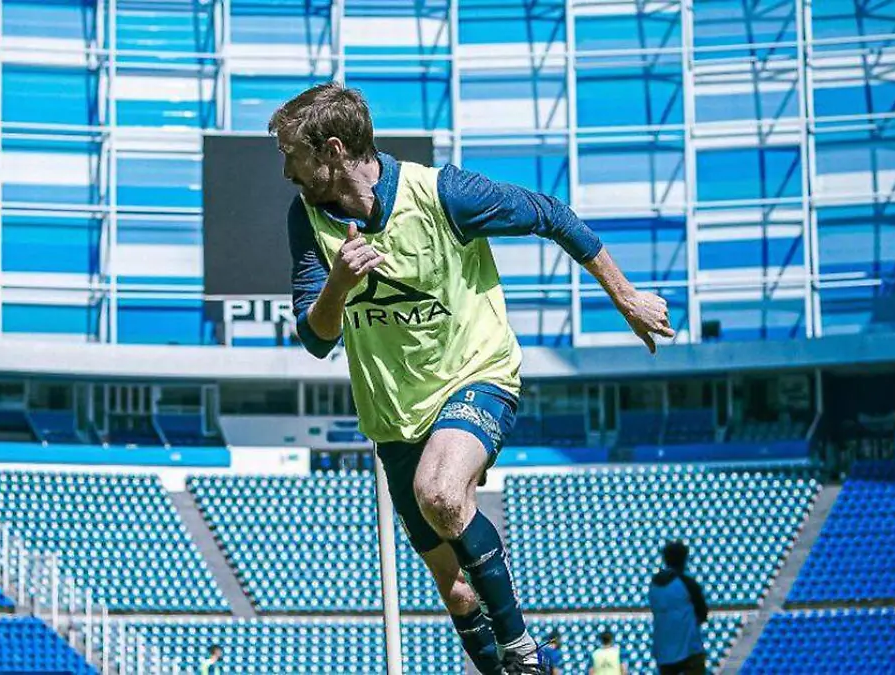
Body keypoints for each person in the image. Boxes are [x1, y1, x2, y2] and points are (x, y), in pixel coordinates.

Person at [273, 82, 674, 675]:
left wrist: (627, 296)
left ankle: (523, 650)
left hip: (475, 374)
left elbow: (549, 213)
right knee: (457, 592)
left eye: (293, 155)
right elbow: (316, 339)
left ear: (332, 150)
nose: (286, 171)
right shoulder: (305, 218)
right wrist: (337, 284)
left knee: (440, 492)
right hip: (393, 416)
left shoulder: (442, 194)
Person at [648, 541, 708, 674]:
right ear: (684, 559)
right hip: (689, 650)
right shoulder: (688, 584)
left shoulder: (654, 586)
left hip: (663, 652)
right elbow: (702, 614)